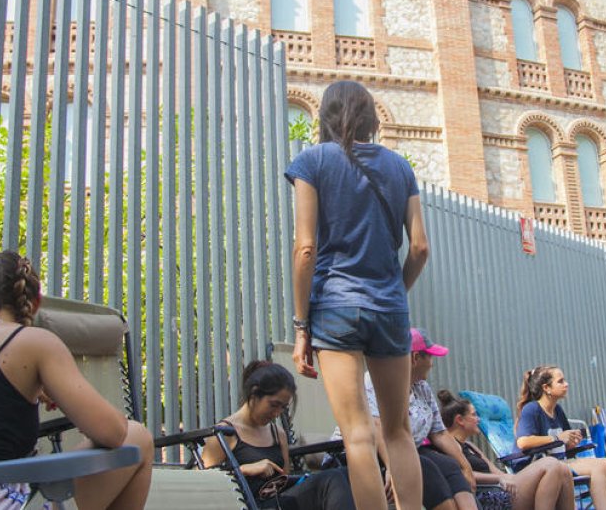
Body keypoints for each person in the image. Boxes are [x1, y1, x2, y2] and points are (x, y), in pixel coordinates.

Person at [0, 251, 153, 510]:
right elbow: (113, 433)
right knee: (137, 436)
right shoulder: (34, 341)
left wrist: (29, 389)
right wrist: (70, 403)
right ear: (35, 302)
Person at [286, 79, 429, 510]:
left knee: (357, 433)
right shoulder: (400, 167)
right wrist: (394, 293)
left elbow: (305, 248)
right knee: (398, 430)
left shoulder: (312, 161)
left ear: (324, 115)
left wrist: (300, 325)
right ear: (370, 117)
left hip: (335, 306)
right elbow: (420, 247)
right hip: (389, 309)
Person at [344, 328, 479, 510]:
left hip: (408, 450)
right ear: (415, 358)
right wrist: (393, 467)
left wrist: (465, 465)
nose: (432, 364)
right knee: (424, 467)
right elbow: (377, 427)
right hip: (373, 452)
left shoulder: (421, 388)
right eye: (429, 357)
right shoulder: (374, 382)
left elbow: (439, 433)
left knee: (449, 465)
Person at [201, 361, 355, 510]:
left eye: (282, 407)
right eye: (273, 405)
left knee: (344, 473)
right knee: (331, 479)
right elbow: (199, 482)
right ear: (254, 393)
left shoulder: (277, 433)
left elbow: (284, 480)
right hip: (247, 504)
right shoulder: (225, 433)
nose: (276, 413)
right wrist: (244, 470)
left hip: (277, 501)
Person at [439, 389, 575, 510]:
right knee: (551, 465)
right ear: (460, 420)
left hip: (502, 487)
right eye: (474, 415)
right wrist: (499, 479)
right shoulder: (449, 447)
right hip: (488, 496)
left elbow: (497, 471)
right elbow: (462, 476)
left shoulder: (470, 446)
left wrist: (510, 477)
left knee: (563, 470)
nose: (478, 419)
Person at [513, 366, 606, 510]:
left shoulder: (557, 410)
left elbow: (563, 443)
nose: (566, 384)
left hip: (560, 461)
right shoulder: (532, 409)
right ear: (546, 388)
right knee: (597, 468)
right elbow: (523, 442)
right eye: (560, 381)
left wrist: (572, 442)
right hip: (537, 466)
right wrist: (557, 437)